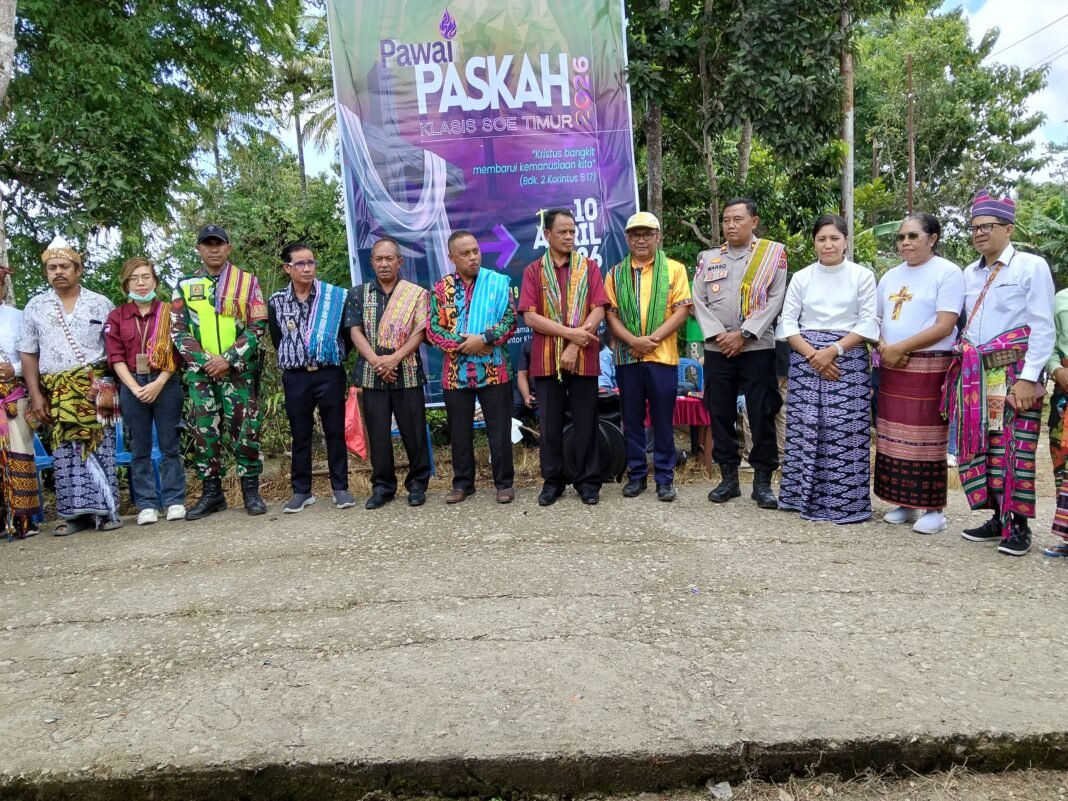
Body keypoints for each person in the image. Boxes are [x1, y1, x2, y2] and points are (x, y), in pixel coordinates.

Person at [944, 190, 1055, 557]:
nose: (979, 233)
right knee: (981, 448)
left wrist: (1030, 378)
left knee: (1015, 450)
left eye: (987, 226)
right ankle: (995, 516)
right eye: (974, 227)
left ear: (1008, 229)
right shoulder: (968, 273)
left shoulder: (1030, 267)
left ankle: (1018, 525)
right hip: (976, 377)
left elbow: (1042, 327)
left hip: (1014, 372)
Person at [776, 214, 878, 523]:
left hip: (848, 361)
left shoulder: (862, 276)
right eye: (822, 239)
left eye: (834, 238)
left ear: (846, 241)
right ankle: (799, 497)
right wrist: (813, 355)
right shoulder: (803, 277)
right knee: (806, 430)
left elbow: (867, 320)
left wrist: (833, 350)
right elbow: (788, 321)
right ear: (814, 243)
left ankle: (847, 505)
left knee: (844, 432)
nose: (828, 244)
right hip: (806, 360)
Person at [20, 237, 121, 535]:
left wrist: (109, 386)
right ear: (46, 272)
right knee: (65, 452)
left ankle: (108, 510)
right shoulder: (36, 306)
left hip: (95, 388)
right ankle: (73, 515)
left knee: (102, 448)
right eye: (52, 267)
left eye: (64, 266)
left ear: (78, 269)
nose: (58, 272)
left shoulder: (100, 303)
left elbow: (113, 348)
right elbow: (28, 352)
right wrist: (36, 394)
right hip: (57, 391)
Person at [692, 197, 787, 508]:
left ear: (754, 222)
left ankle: (762, 482)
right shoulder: (707, 258)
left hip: (757, 346)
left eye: (737, 219)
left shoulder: (772, 255)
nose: (730, 225)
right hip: (718, 347)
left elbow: (775, 298)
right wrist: (722, 336)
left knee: (761, 411)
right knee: (719, 411)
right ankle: (729, 479)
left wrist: (744, 334)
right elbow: (698, 300)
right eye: (726, 220)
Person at [874, 214, 964, 535]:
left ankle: (933, 508)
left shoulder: (948, 272)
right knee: (893, 436)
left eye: (913, 236)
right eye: (901, 238)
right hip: (892, 364)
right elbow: (876, 318)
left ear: (933, 238)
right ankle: (904, 502)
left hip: (930, 364)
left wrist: (901, 348)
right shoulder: (889, 276)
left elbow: (945, 324)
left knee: (926, 439)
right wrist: (885, 346)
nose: (905, 243)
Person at [171, 224, 268, 519]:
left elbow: (258, 325)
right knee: (205, 433)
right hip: (202, 375)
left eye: (219, 243)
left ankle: (251, 490)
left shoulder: (247, 283)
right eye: (207, 244)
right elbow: (177, 329)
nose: (213, 248)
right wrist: (205, 361)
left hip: (237, 371)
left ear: (228, 248)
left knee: (245, 431)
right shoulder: (186, 286)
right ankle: (212, 493)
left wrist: (227, 358)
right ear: (199, 249)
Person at [518, 208, 609, 506]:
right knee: (551, 424)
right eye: (563, 232)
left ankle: (588, 482)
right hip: (546, 360)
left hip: (584, 357)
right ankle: (552, 481)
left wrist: (575, 344)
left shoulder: (589, 268)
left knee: (586, 421)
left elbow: (599, 308)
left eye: (573, 231)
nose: (569, 237)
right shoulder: (533, 271)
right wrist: (571, 335)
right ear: (547, 235)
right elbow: (530, 318)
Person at [604, 211, 692, 501]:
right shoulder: (615, 273)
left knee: (663, 420)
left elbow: (682, 310)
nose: (641, 240)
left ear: (658, 237)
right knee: (631, 418)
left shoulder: (675, 269)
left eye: (647, 234)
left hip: (662, 357)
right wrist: (632, 341)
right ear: (627, 239)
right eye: (635, 235)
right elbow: (610, 314)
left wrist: (651, 340)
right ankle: (637, 475)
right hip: (628, 358)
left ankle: (665, 478)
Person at [427, 230, 517, 504]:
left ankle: (504, 484)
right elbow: (433, 330)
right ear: (452, 257)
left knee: (499, 428)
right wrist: (467, 344)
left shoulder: (497, 283)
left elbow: (510, 321)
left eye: (476, 251)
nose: (473, 257)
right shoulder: (440, 289)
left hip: (494, 369)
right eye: (465, 253)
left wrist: (485, 339)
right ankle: (463, 484)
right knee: (460, 431)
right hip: (456, 374)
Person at [267, 241, 354, 513]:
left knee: (335, 432)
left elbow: (346, 337)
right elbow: (277, 338)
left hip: (329, 373)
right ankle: (302, 491)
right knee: (300, 434)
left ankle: (340, 488)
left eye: (311, 262)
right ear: (287, 268)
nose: (307, 268)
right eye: (301, 264)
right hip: (296, 377)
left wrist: (329, 356)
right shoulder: (277, 301)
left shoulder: (334, 297)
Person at [345, 236, 432, 510]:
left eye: (389, 258)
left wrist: (393, 359)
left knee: (414, 433)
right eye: (379, 259)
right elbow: (354, 330)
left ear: (399, 261)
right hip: (372, 376)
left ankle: (417, 485)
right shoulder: (358, 294)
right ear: (372, 262)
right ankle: (383, 487)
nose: (384, 264)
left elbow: (421, 332)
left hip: (407, 373)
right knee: (379, 436)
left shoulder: (416, 293)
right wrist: (376, 361)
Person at [104, 258, 186, 525]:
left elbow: (178, 353)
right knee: (139, 447)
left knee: (170, 445)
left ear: (155, 281)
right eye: (134, 279)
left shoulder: (168, 312)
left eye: (146, 277)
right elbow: (115, 356)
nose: (141, 283)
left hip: (165, 382)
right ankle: (147, 504)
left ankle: (175, 501)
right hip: (132, 385)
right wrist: (136, 387)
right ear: (126, 283)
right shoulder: (117, 316)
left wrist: (158, 383)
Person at [0, 263, 42, 539]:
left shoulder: (18, 317)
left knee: (19, 455)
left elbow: (31, 355)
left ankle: (23, 521)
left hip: (13, 397)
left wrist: (13, 369)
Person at [1047, 284, 1068, 557]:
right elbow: (1048, 343)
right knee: (1062, 466)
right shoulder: (1061, 299)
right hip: (1064, 395)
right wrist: (1056, 369)